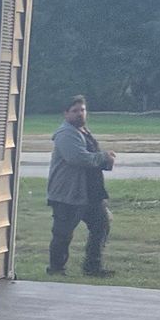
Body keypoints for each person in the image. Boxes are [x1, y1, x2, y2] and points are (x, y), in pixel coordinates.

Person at [46, 96, 115, 276]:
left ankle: (93, 267)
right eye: (75, 111)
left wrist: (105, 161)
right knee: (63, 234)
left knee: (101, 226)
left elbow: (90, 157)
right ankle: (56, 269)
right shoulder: (66, 134)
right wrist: (104, 157)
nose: (80, 114)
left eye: (82, 110)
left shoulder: (83, 131)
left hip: (90, 193)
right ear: (66, 113)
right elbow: (78, 158)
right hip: (69, 194)